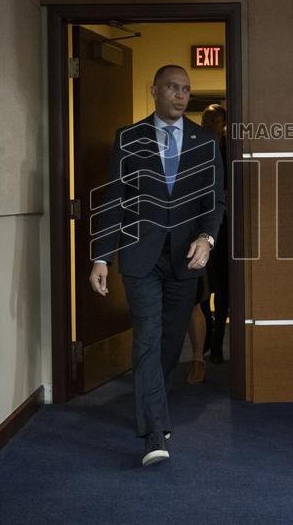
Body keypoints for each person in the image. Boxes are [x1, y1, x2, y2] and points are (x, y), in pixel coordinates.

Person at [89, 64, 225, 467]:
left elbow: (214, 199)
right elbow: (114, 198)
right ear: (154, 90)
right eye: (172, 87)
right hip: (140, 256)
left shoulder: (206, 141)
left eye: (185, 89)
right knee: (147, 337)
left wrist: (207, 238)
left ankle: (155, 403)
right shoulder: (128, 138)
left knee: (169, 341)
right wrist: (101, 255)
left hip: (185, 258)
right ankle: (152, 433)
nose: (180, 95)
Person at [185, 103, 229, 383]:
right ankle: (206, 336)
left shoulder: (231, 148)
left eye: (213, 119)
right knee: (200, 287)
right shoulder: (192, 146)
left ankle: (218, 340)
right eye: (204, 117)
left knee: (223, 285)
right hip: (194, 226)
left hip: (224, 226)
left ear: (223, 124)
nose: (207, 122)